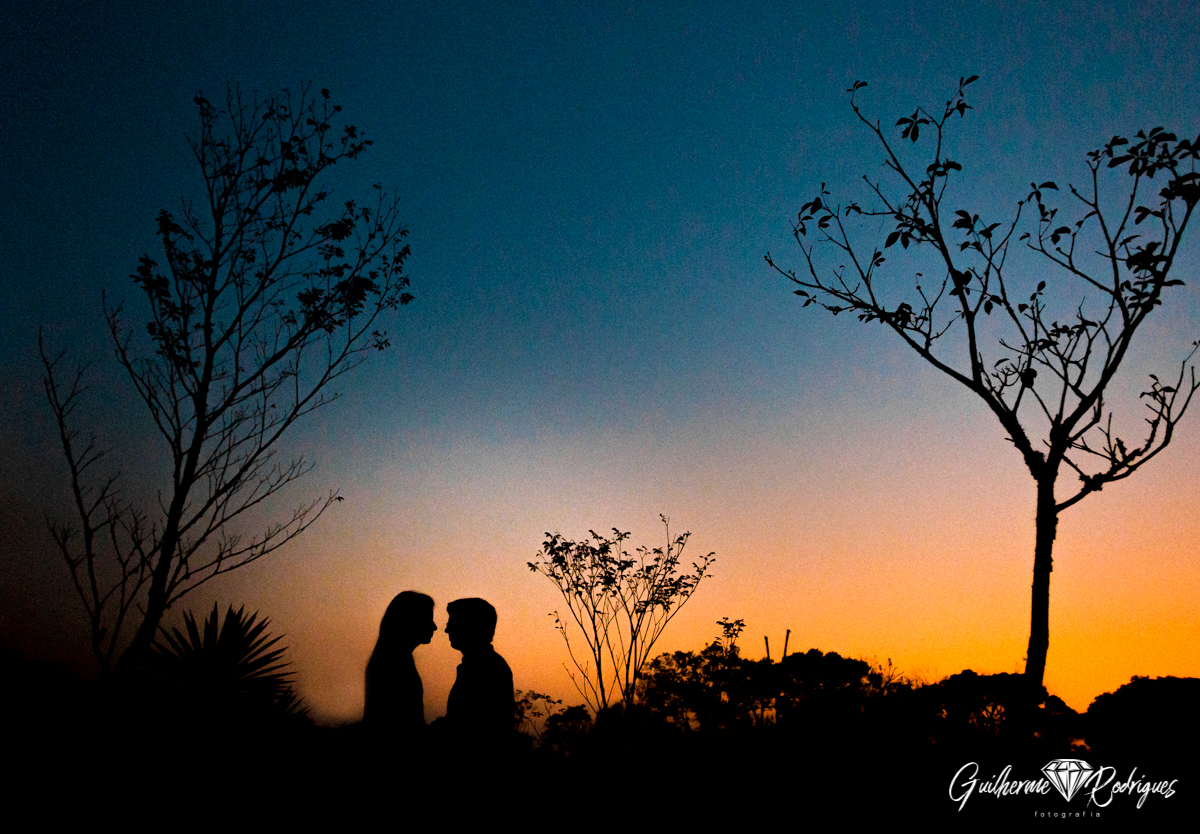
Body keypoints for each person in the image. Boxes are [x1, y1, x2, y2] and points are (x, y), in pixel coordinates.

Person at [442, 597, 514, 744]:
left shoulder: (487, 668)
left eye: (452, 623)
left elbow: (468, 724)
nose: (447, 630)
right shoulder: (480, 664)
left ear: (470, 626)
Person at [363, 591, 437, 733]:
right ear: (411, 621)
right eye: (428, 619)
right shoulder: (396, 662)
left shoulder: (391, 657)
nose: (434, 626)